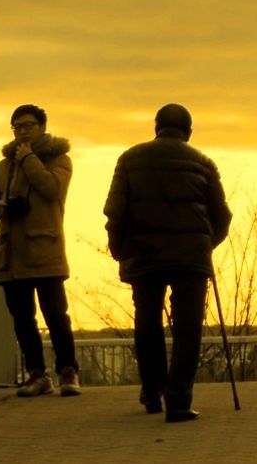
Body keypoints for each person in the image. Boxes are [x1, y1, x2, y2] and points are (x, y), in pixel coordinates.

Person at [103, 103, 231, 422]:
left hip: (143, 254)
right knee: (188, 329)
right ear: (188, 132)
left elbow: (114, 212)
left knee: (147, 323)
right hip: (191, 257)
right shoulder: (203, 163)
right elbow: (222, 217)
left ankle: (151, 389)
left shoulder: (129, 159)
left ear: (155, 126)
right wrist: (204, 245)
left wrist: (119, 249)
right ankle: (178, 400)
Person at [0, 104, 81, 397]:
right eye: (17, 127)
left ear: (42, 126)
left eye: (28, 125)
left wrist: (29, 158)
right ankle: (36, 374)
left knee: (56, 314)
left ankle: (68, 372)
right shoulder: (3, 166)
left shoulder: (60, 160)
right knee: (22, 318)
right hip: (12, 252)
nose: (22, 132)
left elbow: (51, 189)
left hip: (44, 249)